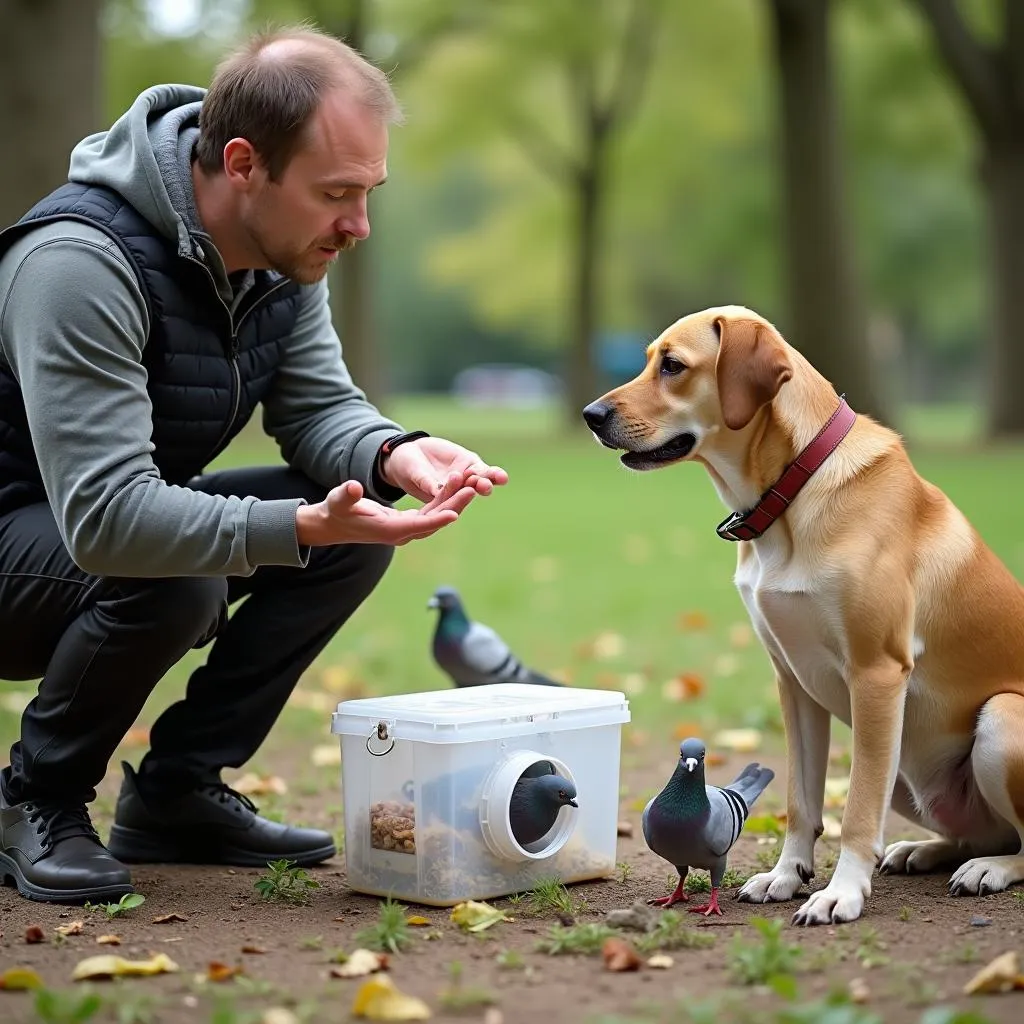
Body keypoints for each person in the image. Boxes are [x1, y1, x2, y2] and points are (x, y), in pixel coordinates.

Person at [0, 25, 507, 905]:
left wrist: (395, 452)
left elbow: (318, 411)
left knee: (351, 531)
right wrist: (292, 525)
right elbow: (110, 518)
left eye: (369, 192)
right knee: (176, 576)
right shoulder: (78, 265)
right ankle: (32, 798)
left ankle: (175, 795)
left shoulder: (284, 258)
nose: (359, 225)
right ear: (243, 163)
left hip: (82, 535)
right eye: (336, 194)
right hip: (24, 541)